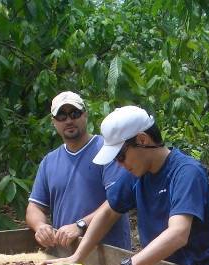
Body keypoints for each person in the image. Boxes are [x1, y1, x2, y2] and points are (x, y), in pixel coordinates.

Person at [43, 105, 209, 265]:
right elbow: (109, 212)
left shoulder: (187, 172)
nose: (119, 164)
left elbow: (178, 233)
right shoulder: (136, 175)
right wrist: (77, 257)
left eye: (120, 156)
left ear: (142, 140)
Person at [25, 91, 131, 250]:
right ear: (53, 121)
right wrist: (40, 226)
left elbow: (116, 202)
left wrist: (80, 225)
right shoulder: (49, 161)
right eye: (61, 116)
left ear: (85, 115)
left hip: (108, 254)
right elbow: (34, 207)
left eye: (74, 113)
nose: (68, 120)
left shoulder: (107, 150)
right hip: (65, 256)